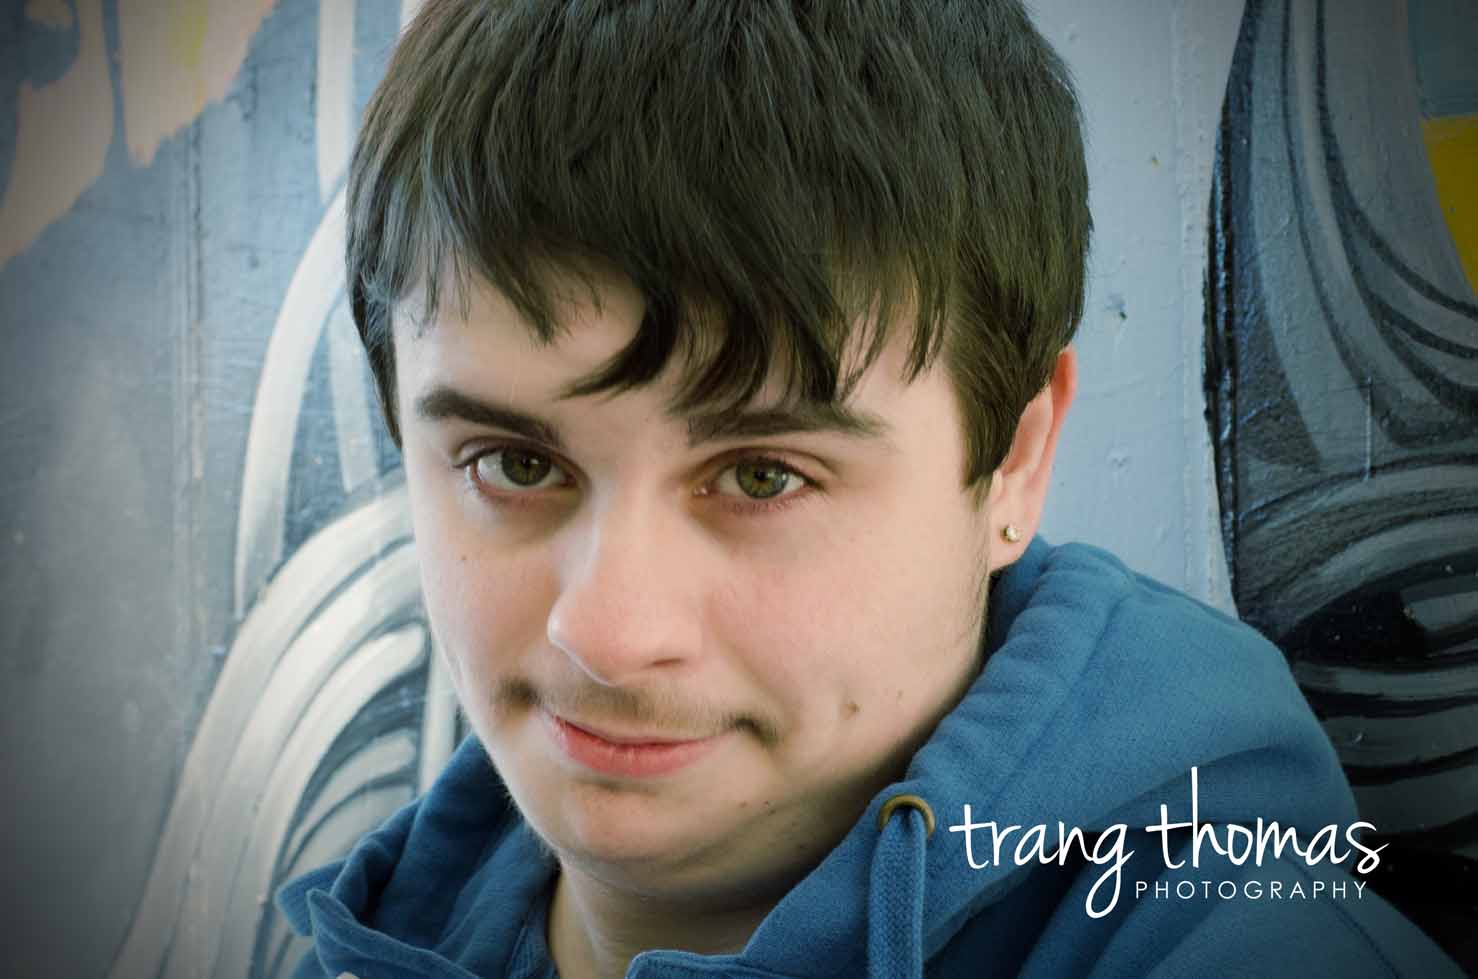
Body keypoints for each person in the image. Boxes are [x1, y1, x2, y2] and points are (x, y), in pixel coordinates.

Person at [275, 1, 1466, 976]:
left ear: (1012, 460)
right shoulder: (382, 924)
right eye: (517, 464)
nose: (605, 634)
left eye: (760, 474)